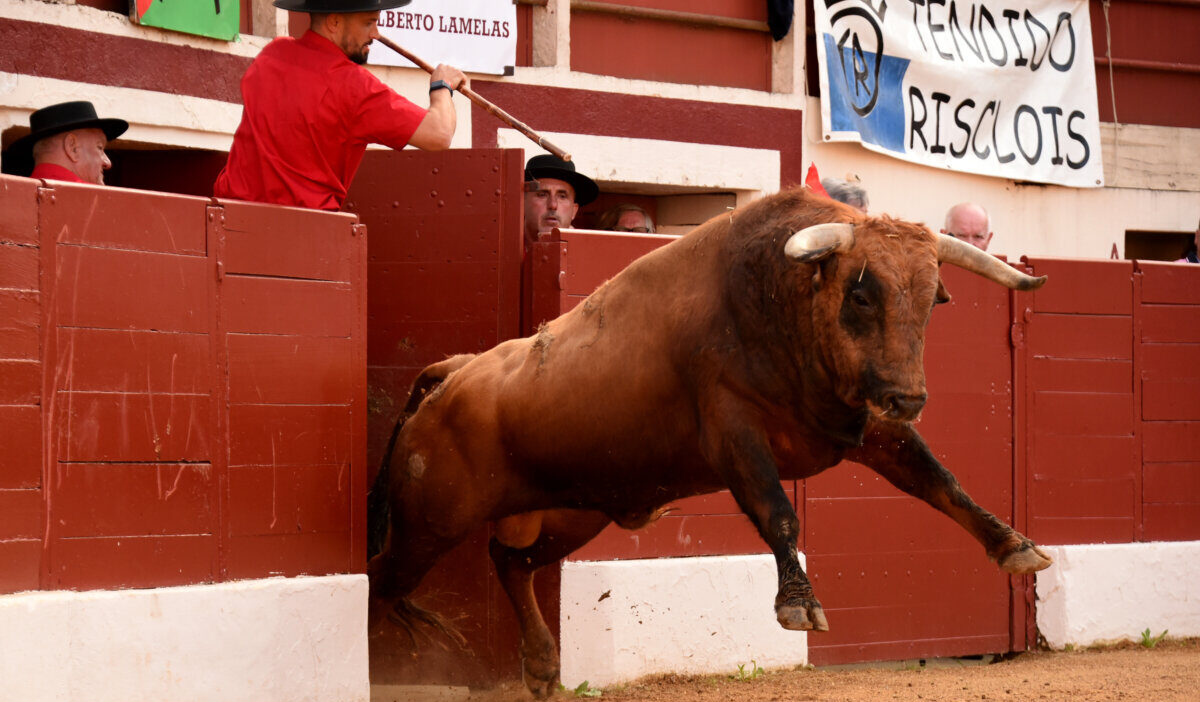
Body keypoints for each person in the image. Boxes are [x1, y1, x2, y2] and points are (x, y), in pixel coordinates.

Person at [213, 0, 468, 211]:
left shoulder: (272, 54)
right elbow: (439, 134)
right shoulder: (355, 87)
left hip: (231, 219)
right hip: (306, 234)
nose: (375, 34)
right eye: (368, 22)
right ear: (334, 22)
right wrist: (441, 87)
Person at [2, 101, 127, 185]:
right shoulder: (95, 201)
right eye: (99, 147)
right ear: (73, 148)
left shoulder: (14, 199)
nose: (108, 163)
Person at [523, 154, 598, 241]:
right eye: (542, 195)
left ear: (574, 211)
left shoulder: (585, 253)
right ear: (522, 204)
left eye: (562, 196)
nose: (553, 205)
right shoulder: (504, 247)